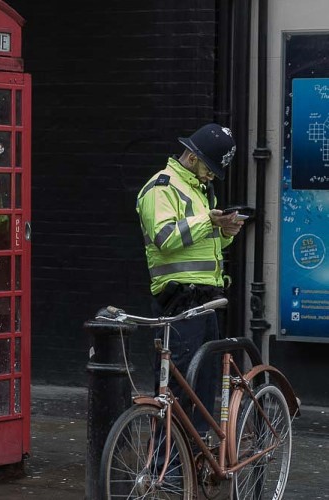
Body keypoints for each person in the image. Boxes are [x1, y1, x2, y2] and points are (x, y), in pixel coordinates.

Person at [136, 123, 244, 436]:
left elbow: (203, 244)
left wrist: (224, 232)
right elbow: (165, 238)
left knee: (202, 389)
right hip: (180, 302)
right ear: (193, 157)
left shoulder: (200, 191)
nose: (211, 176)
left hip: (207, 301)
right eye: (210, 168)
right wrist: (206, 219)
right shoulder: (161, 188)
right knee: (176, 391)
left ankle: (193, 459)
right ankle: (168, 470)